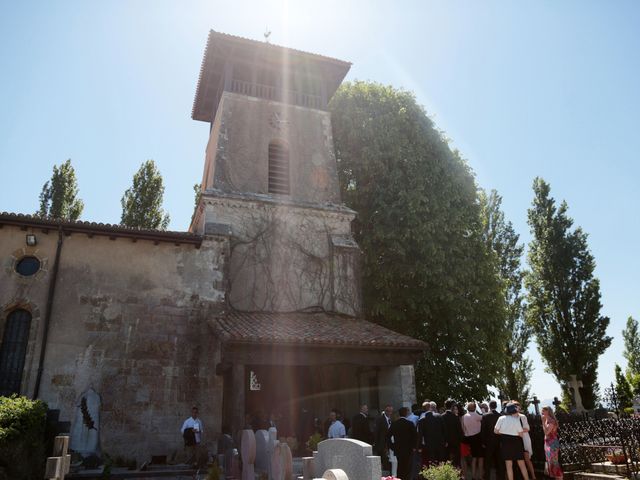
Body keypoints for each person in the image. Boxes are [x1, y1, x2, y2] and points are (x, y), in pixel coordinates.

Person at [494, 403, 529, 480]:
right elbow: (521, 434)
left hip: (505, 442)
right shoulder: (516, 420)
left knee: (508, 465)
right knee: (522, 464)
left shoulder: (501, 418)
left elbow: (495, 431)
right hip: (516, 442)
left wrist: (504, 432)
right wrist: (513, 432)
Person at [386, 407, 417, 480]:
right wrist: (414, 447)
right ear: (406, 413)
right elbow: (415, 436)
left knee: (400, 466)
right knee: (408, 467)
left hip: (398, 449)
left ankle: (400, 478)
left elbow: (387, 437)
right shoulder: (410, 423)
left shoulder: (395, 424)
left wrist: (392, 446)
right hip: (408, 449)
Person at [417, 401, 447, 466]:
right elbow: (444, 430)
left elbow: (420, 435)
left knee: (432, 462)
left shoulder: (422, 420)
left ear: (423, 409)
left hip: (429, 445)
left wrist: (419, 446)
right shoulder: (439, 416)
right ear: (430, 407)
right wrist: (445, 441)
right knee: (441, 461)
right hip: (440, 443)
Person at [481, 400, 504, 480]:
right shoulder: (500, 416)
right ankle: (501, 477)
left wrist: (483, 442)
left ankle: (487, 477)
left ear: (489, 406)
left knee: (487, 461)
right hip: (498, 441)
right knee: (499, 460)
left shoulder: (485, 416)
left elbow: (483, 430)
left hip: (488, 442)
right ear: (496, 406)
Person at [462, 402, 484, 480]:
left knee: (474, 458)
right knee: (480, 458)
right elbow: (482, 416)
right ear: (475, 408)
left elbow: (463, 429)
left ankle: (473, 476)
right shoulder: (476, 415)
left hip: (470, 438)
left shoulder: (464, 416)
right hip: (478, 438)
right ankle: (480, 476)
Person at [514, 402, 536, 480]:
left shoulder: (522, 417)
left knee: (527, 459)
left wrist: (516, 430)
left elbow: (527, 428)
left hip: (524, 439)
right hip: (515, 440)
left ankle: (533, 476)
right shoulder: (510, 417)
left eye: (517, 406)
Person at [542, 406, 563, 480]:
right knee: (550, 462)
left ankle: (559, 477)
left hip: (552, 443)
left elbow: (547, 432)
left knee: (554, 462)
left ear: (548, 411)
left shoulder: (551, 421)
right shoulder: (547, 420)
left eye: (543, 410)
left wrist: (543, 422)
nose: (542, 412)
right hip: (548, 443)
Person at [442, 399, 463, 467]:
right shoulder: (455, 417)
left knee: (446, 461)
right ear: (452, 406)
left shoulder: (441, 417)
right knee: (456, 462)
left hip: (445, 443)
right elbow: (460, 431)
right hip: (455, 442)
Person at [375, 405, 394, 471]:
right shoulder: (380, 419)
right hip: (382, 444)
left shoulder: (392, 419)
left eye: (391, 411)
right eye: (388, 411)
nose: (389, 413)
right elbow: (376, 432)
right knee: (384, 461)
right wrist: (377, 444)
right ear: (385, 411)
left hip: (390, 444)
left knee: (390, 461)